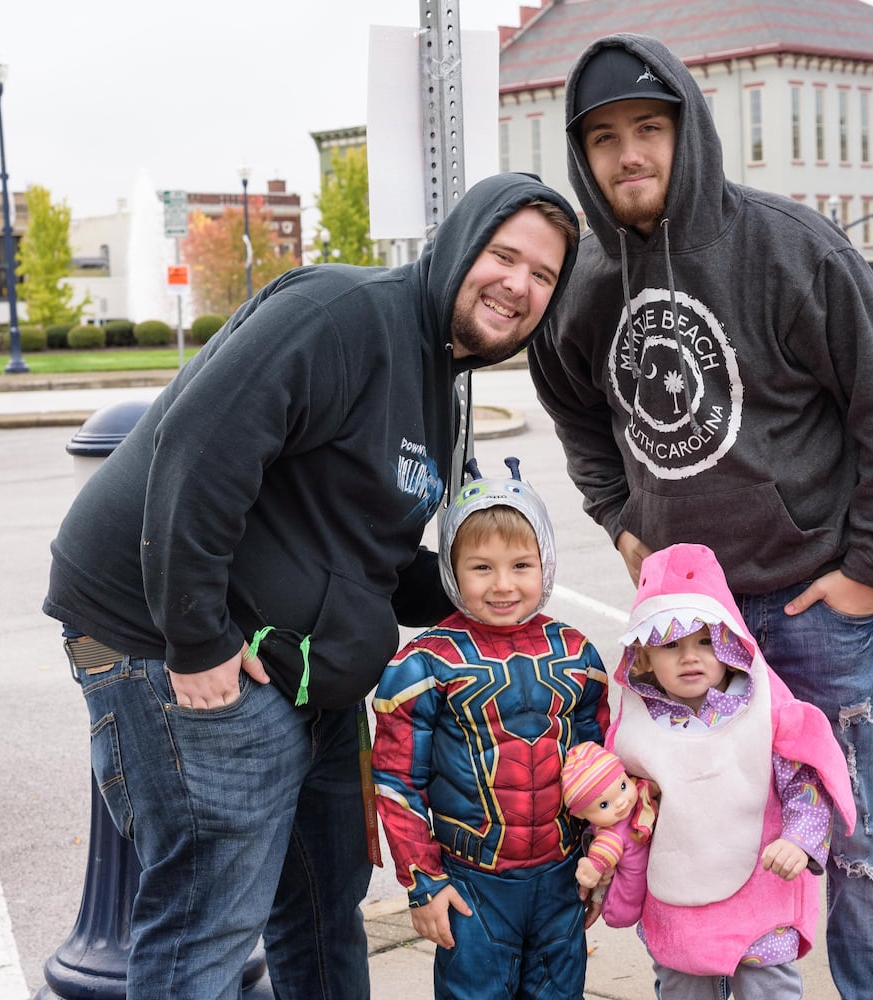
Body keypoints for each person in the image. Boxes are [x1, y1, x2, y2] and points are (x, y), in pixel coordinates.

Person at [43, 172, 579, 999]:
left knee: (327, 911)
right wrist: (196, 638)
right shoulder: (341, 315)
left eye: (543, 275)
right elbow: (198, 447)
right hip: (182, 649)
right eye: (504, 255)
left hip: (307, 676)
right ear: (460, 243)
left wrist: (494, 618)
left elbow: (374, 546)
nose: (519, 284)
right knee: (204, 930)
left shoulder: (440, 376)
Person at [527, 33, 873, 1000]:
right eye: (603, 139)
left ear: (689, 131)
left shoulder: (792, 250)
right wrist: (621, 518)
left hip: (810, 612)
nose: (628, 154)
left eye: (649, 128)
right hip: (684, 630)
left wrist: (868, 570)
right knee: (695, 825)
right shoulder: (586, 284)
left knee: (849, 831)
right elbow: (571, 404)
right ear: (583, 158)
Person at [371, 458, 609, 1000]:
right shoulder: (424, 665)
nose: (503, 585)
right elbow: (397, 783)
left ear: (545, 563)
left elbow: (601, 771)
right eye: (481, 568)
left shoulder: (577, 655)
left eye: (521, 565)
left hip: (562, 881)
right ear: (452, 569)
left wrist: (602, 860)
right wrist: (424, 883)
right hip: (471, 885)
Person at [601, 543, 856, 1000]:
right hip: (677, 899)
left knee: (768, 990)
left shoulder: (763, 709)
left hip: (762, 887)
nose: (690, 657)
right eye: (671, 645)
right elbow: (615, 798)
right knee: (682, 987)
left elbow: (805, 780)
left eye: (704, 641)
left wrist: (800, 840)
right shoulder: (636, 727)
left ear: (730, 643)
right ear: (642, 656)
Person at [560, 740, 656, 892]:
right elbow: (605, 849)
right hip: (630, 890)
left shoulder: (638, 792)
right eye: (604, 804)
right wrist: (594, 867)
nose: (620, 802)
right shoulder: (611, 833)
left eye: (623, 786)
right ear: (581, 814)